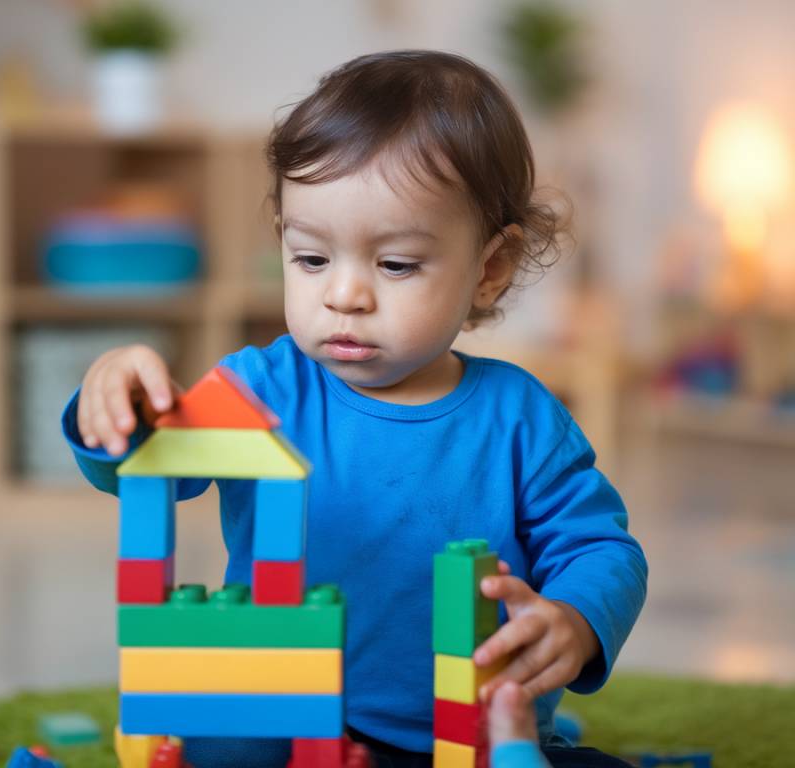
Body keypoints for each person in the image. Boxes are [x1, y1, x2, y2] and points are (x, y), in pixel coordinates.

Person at [63, 50, 648, 768]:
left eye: (395, 264)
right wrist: (116, 404)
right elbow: (144, 468)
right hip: (275, 722)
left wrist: (577, 619)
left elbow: (602, 549)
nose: (344, 295)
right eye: (311, 259)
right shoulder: (261, 388)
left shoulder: (521, 419)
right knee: (209, 744)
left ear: (488, 271)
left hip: (467, 735)